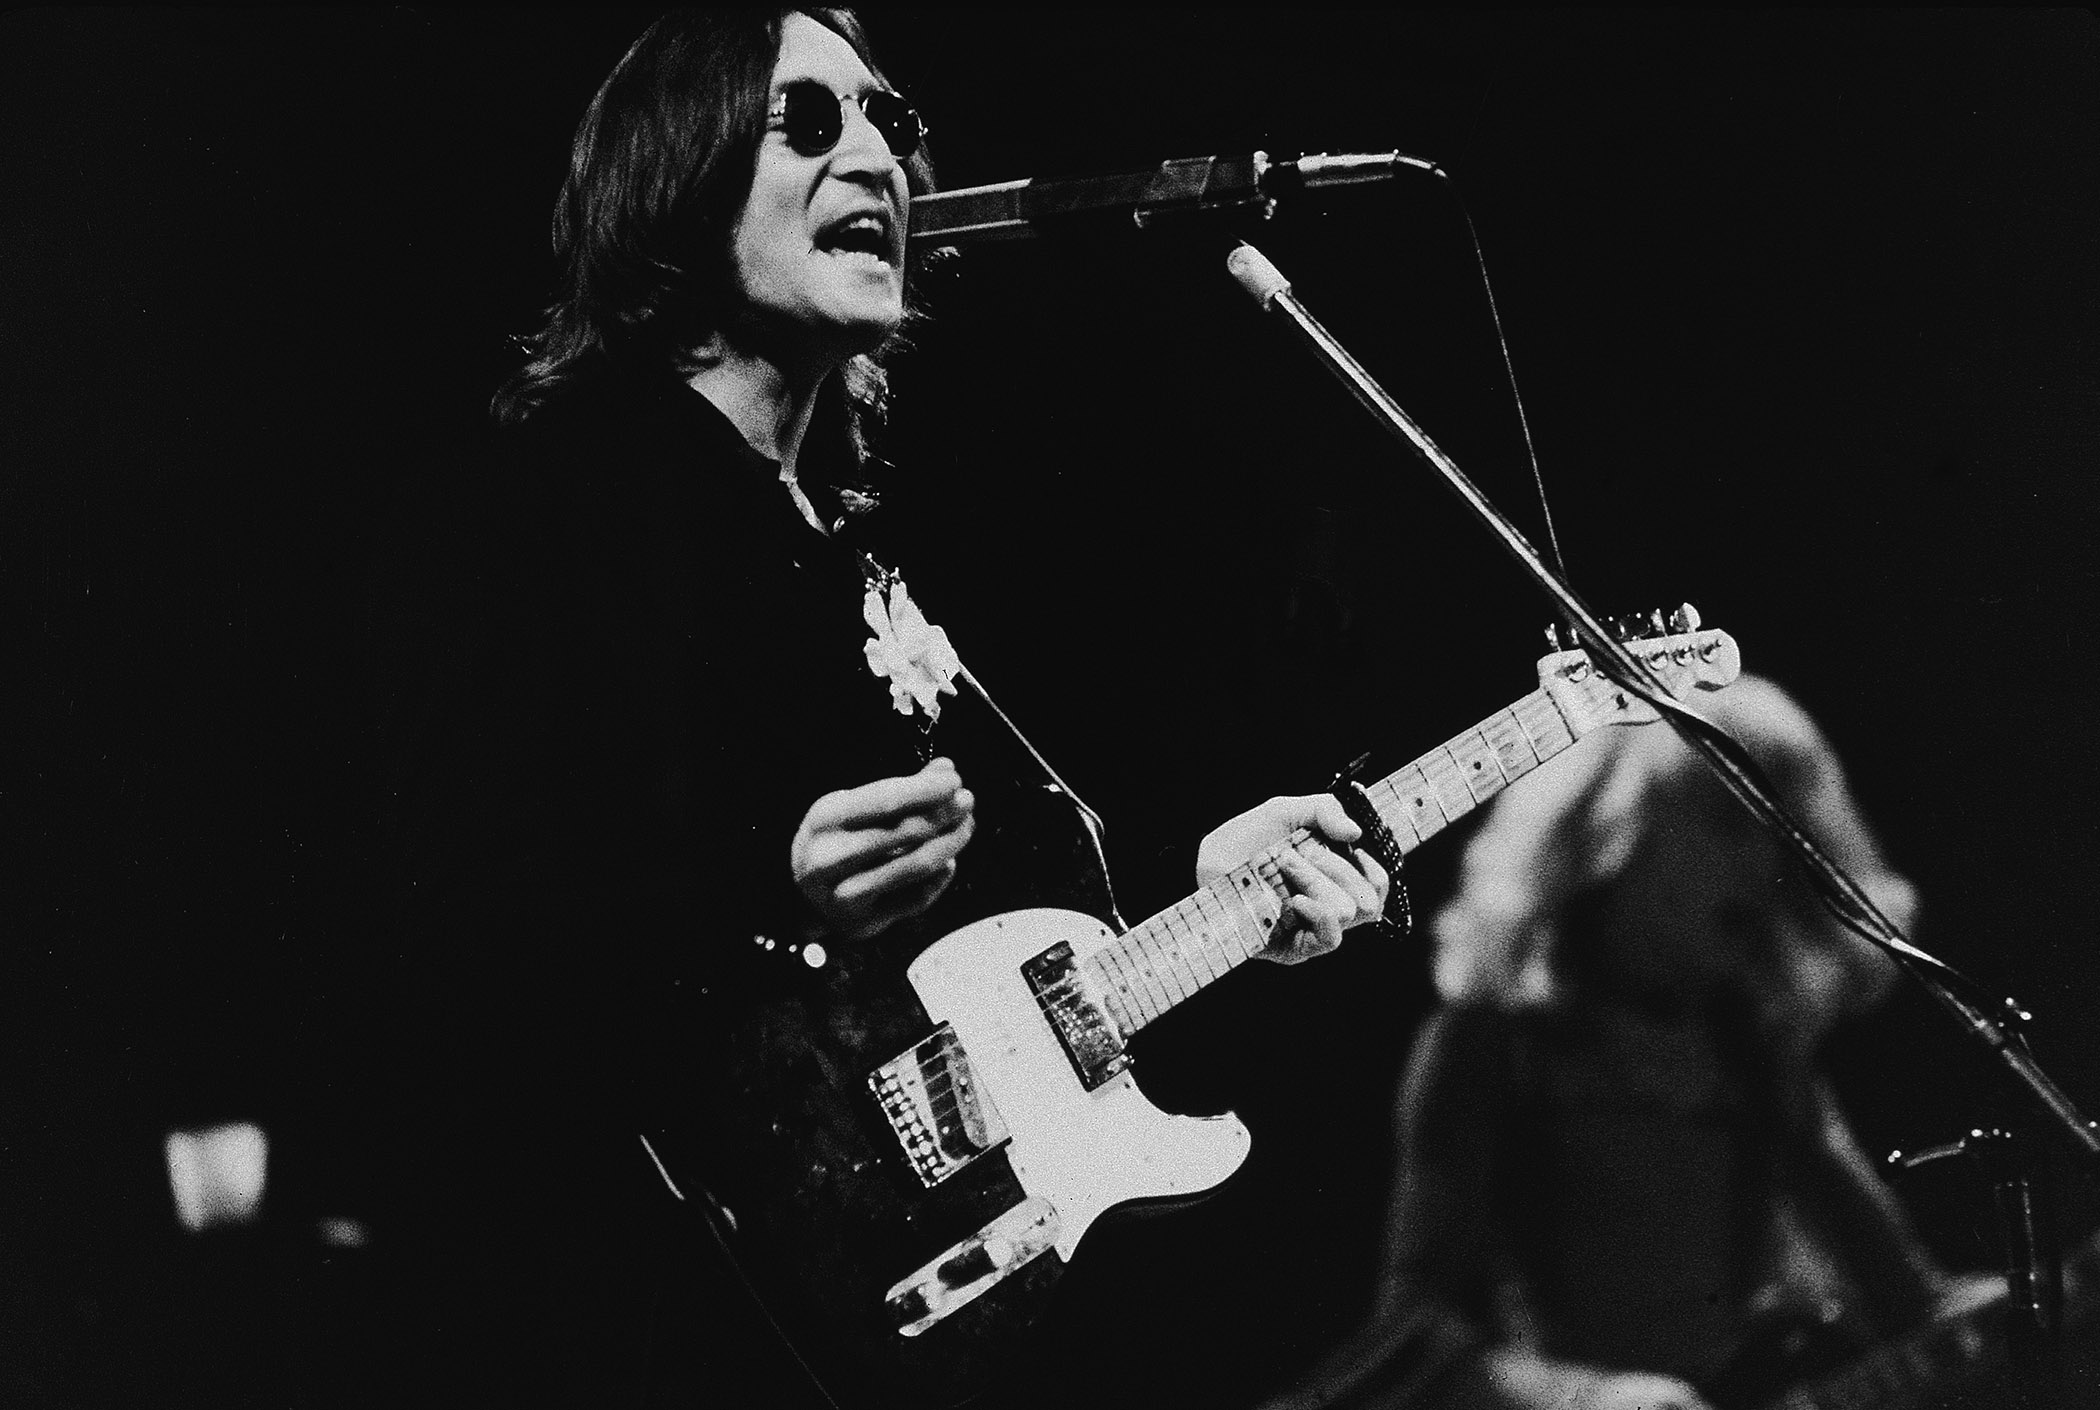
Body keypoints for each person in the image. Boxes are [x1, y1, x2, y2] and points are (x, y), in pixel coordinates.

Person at [371, 8, 1390, 1404]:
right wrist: (765, 890)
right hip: (656, 1307)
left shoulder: (831, 541)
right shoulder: (563, 500)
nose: (881, 162)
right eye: (809, 121)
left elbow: (1000, 911)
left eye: (894, 126)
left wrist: (1203, 888)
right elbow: (443, 929)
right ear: (679, 170)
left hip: (881, 1310)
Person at [1263, 674, 1966, 1410]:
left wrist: (2057, 1291)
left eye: (1776, 832)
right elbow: (1412, 1333)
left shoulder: (1756, 1052)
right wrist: (1585, 1399)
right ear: (1615, 831)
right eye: (1727, 825)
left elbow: (1912, 1306)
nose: (1760, 867)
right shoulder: (1489, 1044)